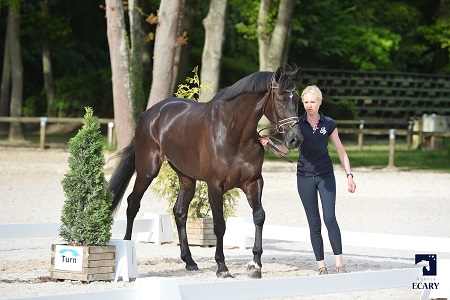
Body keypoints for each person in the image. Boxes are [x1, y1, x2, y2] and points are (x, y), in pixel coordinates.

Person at [260, 85, 356, 275]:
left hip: (326, 176)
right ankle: (321, 266)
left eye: (313, 101)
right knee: (314, 223)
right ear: (302, 103)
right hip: (304, 178)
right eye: (306, 102)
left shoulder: (329, 123)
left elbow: (341, 152)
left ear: (320, 101)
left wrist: (349, 175)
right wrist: (270, 143)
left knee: (330, 218)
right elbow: (286, 150)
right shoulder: (298, 124)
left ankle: (339, 264)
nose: (309, 105)